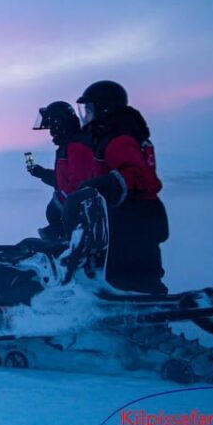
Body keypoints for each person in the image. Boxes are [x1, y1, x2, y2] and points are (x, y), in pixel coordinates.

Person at [73, 80, 169, 294]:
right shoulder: (114, 135)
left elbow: (139, 176)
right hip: (130, 215)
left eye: (89, 109)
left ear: (104, 108)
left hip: (133, 218)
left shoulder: (118, 140)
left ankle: (149, 318)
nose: (86, 115)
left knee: (134, 278)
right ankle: (138, 314)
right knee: (126, 274)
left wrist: (102, 184)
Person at [28, 101, 96, 239]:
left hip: (82, 223)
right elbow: (64, 181)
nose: (52, 133)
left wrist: (57, 205)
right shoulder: (68, 146)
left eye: (52, 127)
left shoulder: (77, 147)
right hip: (72, 220)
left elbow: (80, 185)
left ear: (60, 124)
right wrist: (42, 173)